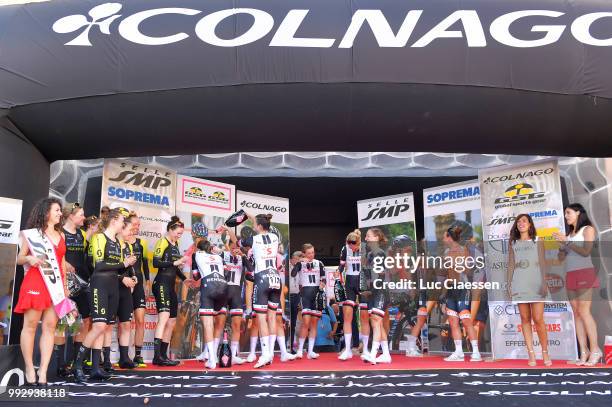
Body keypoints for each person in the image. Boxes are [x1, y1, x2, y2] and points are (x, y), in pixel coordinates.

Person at [73, 207, 135, 382]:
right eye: (122, 221)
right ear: (114, 220)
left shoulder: (116, 242)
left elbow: (118, 267)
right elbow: (98, 265)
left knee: (105, 327)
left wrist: (126, 266)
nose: (124, 224)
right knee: (98, 326)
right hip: (99, 285)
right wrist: (123, 263)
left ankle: (95, 369)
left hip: (113, 287)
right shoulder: (99, 238)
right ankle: (77, 366)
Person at [15, 198, 68, 386]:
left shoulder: (61, 234)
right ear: (46, 212)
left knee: (50, 328)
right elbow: (19, 258)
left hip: (56, 287)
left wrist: (65, 288)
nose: (60, 214)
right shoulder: (31, 234)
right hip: (36, 283)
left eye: (60, 211)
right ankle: (30, 368)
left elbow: (61, 263)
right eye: (57, 210)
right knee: (30, 326)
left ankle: (43, 371)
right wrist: (30, 258)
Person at [226, 214, 281, 368]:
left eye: (254, 224)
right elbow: (261, 221)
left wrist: (228, 230)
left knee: (261, 318)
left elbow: (236, 243)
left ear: (257, 226)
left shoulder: (253, 239)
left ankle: (264, 354)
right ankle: (269, 353)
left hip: (262, 278)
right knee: (272, 317)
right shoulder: (275, 236)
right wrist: (252, 217)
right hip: (275, 277)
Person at [553, 203, 602, 366]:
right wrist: (561, 247)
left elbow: (586, 251)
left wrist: (566, 242)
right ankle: (584, 351)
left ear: (578, 213)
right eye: (565, 213)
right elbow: (561, 259)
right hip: (570, 274)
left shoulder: (587, 229)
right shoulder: (570, 234)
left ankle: (595, 350)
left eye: (568, 213)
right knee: (576, 313)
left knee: (584, 310)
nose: (566, 216)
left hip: (585, 273)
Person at [508, 214, 551, 367]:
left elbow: (543, 263)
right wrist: (509, 285)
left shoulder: (538, 240)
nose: (521, 223)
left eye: (524, 221)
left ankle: (545, 352)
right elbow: (511, 264)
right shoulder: (513, 242)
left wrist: (544, 283)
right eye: (518, 221)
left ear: (530, 224)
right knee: (525, 319)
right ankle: (531, 354)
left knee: (538, 319)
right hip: (519, 284)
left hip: (536, 283)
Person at [152, 216, 192, 366]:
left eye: (181, 233)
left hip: (170, 285)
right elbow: (156, 263)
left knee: (172, 320)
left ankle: (164, 355)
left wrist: (184, 279)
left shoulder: (176, 244)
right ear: (170, 229)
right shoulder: (163, 241)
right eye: (178, 233)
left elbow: (175, 268)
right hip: (161, 282)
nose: (179, 235)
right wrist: (175, 262)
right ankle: (157, 357)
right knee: (164, 317)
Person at [55, 202, 87, 377]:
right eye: (81, 214)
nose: (83, 217)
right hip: (65, 284)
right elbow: (57, 255)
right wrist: (65, 264)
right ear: (71, 216)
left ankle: (76, 363)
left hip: (81, 284)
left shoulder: (82, 234)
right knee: (64, 323)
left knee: (80, 323)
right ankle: (60, 365)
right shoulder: (61, 234)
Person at [442, 224, 481, 362]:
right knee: (453, 321)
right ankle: (458, 352)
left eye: (444, 235)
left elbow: (468, 271)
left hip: (463, 288)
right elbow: (446, 274)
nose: (442, 238)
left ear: (449, 237)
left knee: (466, 320)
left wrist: (457, 264)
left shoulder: (463, 250)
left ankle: (476, 352)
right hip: (451, 289)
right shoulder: (446, 252)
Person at [193, 239, 228, 370]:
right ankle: (213, 355)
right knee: (219, 322)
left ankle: (212, 359)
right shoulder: (219, 256)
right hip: (223, 286)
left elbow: (196, 276)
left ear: (199, 249)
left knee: (208, 324)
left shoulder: (196, 255)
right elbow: (227, 272)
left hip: (209, 286)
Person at [361, 228, 391, 364]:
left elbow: (380, 276)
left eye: (368, 236)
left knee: (376, 320)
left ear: (376, 238)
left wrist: (371, 290)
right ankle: (386, 354)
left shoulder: (380, 253)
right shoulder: (369, 255)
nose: (365, 238)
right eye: (365, 236)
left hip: (380, 291)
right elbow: (367, 275)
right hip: (372, 292)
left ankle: (373, 354)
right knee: (375, 322)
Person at [291, 243, 326, 360]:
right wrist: (300, 262)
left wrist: (322, 284)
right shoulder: (301, 263)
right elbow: (293, 274)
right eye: (309, 253)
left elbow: (324, 278)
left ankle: (311, 351)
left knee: (314, 323)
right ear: (304, 253)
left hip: (316, 295)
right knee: (305, 322)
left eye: (313, 252)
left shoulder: (319, 263)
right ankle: (300, 350)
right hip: (305, 294)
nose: (311, 255)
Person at [124, 213, 150, 367]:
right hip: (125, 284)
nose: (137, 227)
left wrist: (147, 281)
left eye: (139, 225)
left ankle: (138, 356)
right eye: (135, 224)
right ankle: (124, 354)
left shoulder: (142, 243)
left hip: (139, 285)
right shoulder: (121, 241)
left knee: (140, 320)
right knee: (125, 322)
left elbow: (145, 263)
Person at [115, 216, 137, 369]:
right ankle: (106, 359)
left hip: (126, 290)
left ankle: (124, 358)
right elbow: (103, 267)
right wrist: (122, 278)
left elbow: (130, 267)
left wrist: (133, 276)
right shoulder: (111, 244)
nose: (131, 233)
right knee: (107, 326)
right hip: (111, 287)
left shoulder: (128, 246)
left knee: (126, 323)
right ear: (121, 229)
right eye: (129, 230)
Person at [336, 230, 362, 360]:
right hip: (350, 281)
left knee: (366, 314)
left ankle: (364, 346)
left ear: (359, 242)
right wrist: (338, 272)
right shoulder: (345, 249)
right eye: (349, 244)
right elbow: (341, 265)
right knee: (348, 314)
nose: (352, 246)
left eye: (354, 244)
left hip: (363, 281)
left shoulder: (364, 248)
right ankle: (348, 348)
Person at [288, 251, 302, 353]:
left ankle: (291, 346)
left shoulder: (300, 268)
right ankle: (282, 345)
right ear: (293, 258)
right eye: (298, 259)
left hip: (296, 295)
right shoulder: (285, 265)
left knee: (293, 323)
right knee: (285, 322)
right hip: (286, 295)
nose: (299, 262)